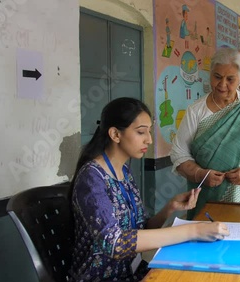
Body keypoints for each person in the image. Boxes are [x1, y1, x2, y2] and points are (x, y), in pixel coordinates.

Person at [68, 98, 229, 281]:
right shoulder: (91, 178)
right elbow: (116, 243)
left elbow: (141, 229)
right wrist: (193, 231)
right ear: (115, 134)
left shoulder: (124, 172)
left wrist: (170, 207)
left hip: (132, 272)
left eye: (149, 132)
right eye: (141, 132)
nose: (150, 140)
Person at [171, 48, 240, 219]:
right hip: (209, 196)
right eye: (217, 77)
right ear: (210, 75)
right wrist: (200, 174)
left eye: (230, 79)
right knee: (209, 243)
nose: (222, 85)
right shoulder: (196, 111)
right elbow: (179, 153)